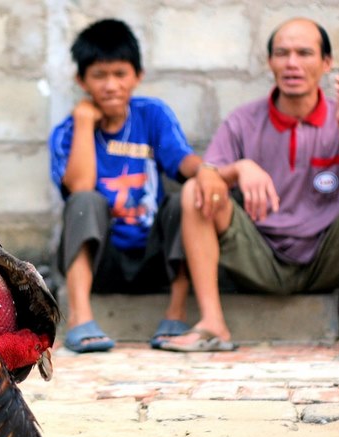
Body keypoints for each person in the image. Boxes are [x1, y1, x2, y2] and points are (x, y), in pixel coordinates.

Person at [157, 17, 339, 354]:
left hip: (327, 255)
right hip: (259, 256)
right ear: (269, 62)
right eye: (282, 53)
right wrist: (239, 169)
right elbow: (206, 175)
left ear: (326, 63)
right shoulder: (243, 120)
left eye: (304, 53)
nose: (292, 63)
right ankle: (212, 324)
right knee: (194, 193)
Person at [49, 18, 216, 353]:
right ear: (81, 80)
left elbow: (179, 160)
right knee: (84, 201)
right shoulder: (68, 132)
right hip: (102, 260)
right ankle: (80, 318)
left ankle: (176, 314)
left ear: (137, 76)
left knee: (181, 199)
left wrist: (205, 171)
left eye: (120, 74)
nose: (111, 85)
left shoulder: (151, 115)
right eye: (99, 75)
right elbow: (80, 187)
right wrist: (84, 122)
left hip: (154, 256)